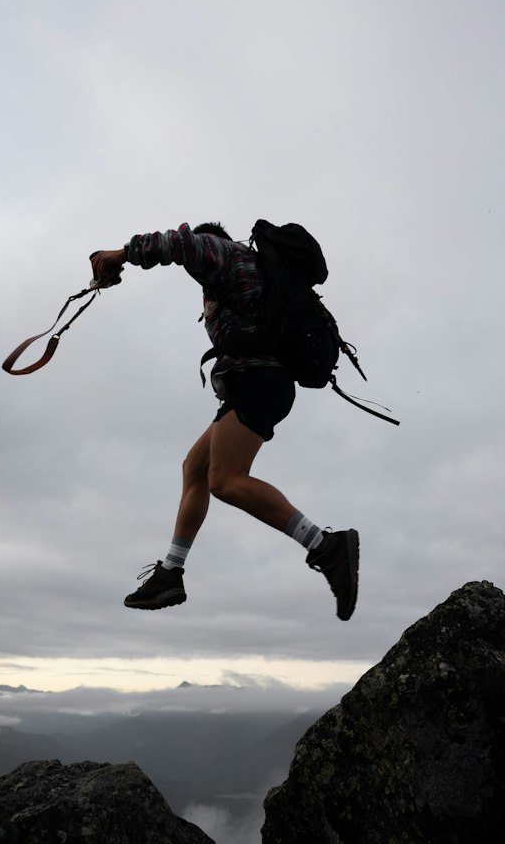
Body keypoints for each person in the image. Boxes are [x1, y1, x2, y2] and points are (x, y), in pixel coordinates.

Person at [90, 222, 359, 620]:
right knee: (195, 468)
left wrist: (119, 254)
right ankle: (170, 573)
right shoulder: (242, 269)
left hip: (260, 380)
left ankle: (325, 545)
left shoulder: (226, 256)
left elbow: (182, 244)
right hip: (254, 381)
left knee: (225, 480)